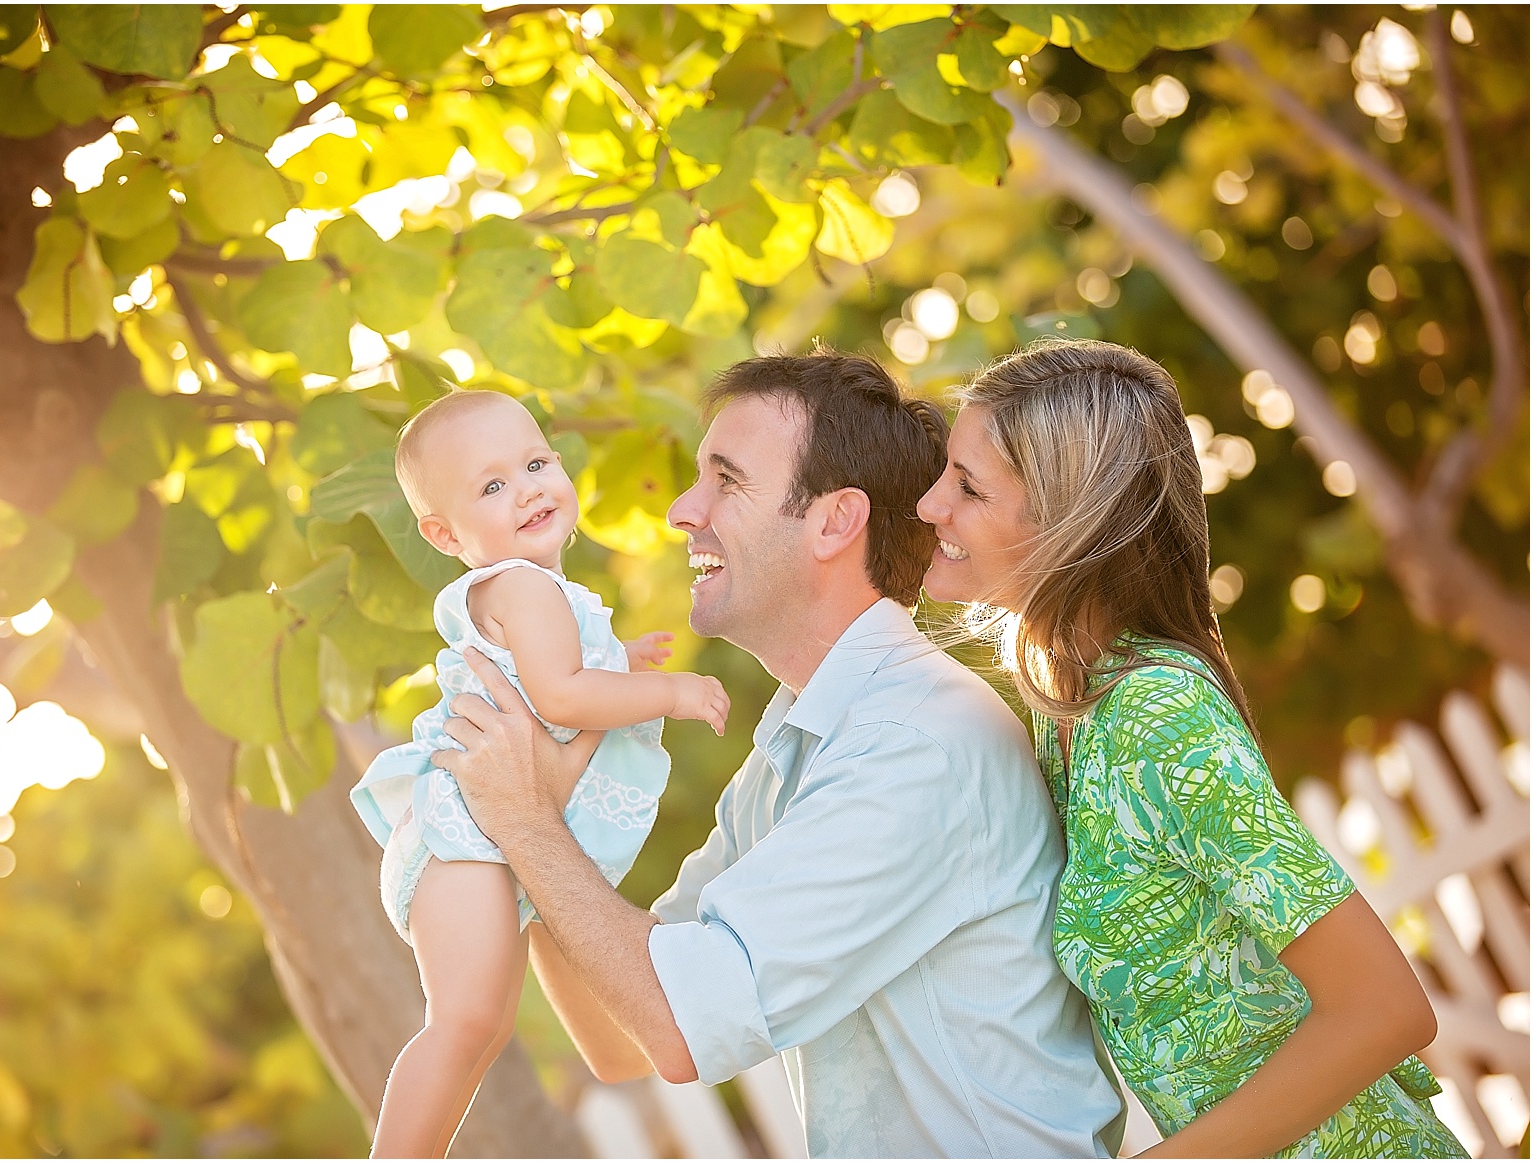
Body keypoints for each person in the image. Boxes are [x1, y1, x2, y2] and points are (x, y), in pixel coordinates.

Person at [433, 350, 1126, 1157]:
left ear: (834, 521)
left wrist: (522, 819)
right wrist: (534, 809)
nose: (683, 511)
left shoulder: (912, 745)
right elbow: (619, 1036)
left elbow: (674, 1028)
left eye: (726, 480)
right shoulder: (801, 744)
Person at [916, 337, 1466, 1158]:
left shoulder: (1156, 717)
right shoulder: (1069, 713)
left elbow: (1385, 1008)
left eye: (968, 486)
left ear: (1071, 523)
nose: (930, 504)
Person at [349, 390, 729, 1157]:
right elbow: (559, 694)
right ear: (444, 532)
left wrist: (618, 663)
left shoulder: (548, 593)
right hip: (469, 832)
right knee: (463, 1022)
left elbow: (556, 688)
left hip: (490, 832)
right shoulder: (519, 586)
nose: (525, 488)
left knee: (479, 1028)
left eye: (534, 463)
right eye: (491, 486)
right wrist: (669, 690)